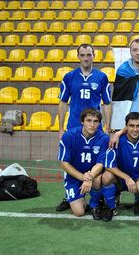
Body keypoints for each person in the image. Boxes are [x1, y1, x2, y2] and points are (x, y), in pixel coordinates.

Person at [56, 43, 112, 212]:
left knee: (96, 160)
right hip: (74, 126)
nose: (86, 58)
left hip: (96, 127)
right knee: (71, 160)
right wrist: (60, 128)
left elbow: (107, 103)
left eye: (89, 54)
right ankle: (70, 195)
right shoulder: (69, 77)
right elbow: (63, 102)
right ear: (78, 56)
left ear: (94, 56)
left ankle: (97, 196)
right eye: (83, 55)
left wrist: (107, 126)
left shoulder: (101, 77)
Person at [57, 108, 110, 220]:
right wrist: (82, 177)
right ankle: (79, 198)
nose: (92, 124)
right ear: (82, 121)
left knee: (97, 180)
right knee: (79, 212)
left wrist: (89, 177)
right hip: (74, 176)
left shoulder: (104, 138)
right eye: (88, 120)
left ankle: (95, 204)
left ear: (99, 123)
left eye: (95, 121)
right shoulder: (69, 136)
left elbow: (100, 163)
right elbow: (64, 163)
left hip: (93, 174)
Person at [101, 112, 139, 221]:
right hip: (120, 177)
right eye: (131, 126)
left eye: (138, 126)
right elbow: (109, 166)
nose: (135, 129)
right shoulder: (117, 141)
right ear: (126, 126)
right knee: (106, 176)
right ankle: (111, 206)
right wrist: (127, 178)